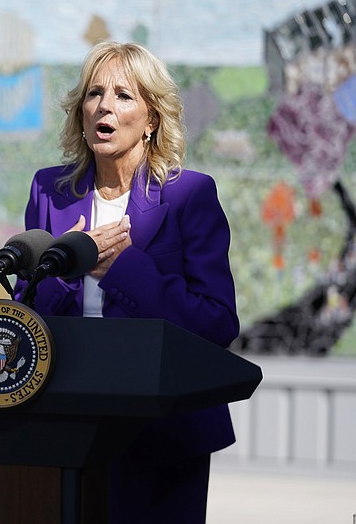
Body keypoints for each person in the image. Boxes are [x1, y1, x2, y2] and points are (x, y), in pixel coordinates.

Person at [14, 41, 239, 522]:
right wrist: (65, 266)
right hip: (66, 421)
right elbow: (26, 312)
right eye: (95, 93)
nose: (104, 106)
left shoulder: (190, 195)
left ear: (152, 119)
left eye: (123, 96)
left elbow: (217, 323)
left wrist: (123, 269)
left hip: (161, 431)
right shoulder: (50, 190)